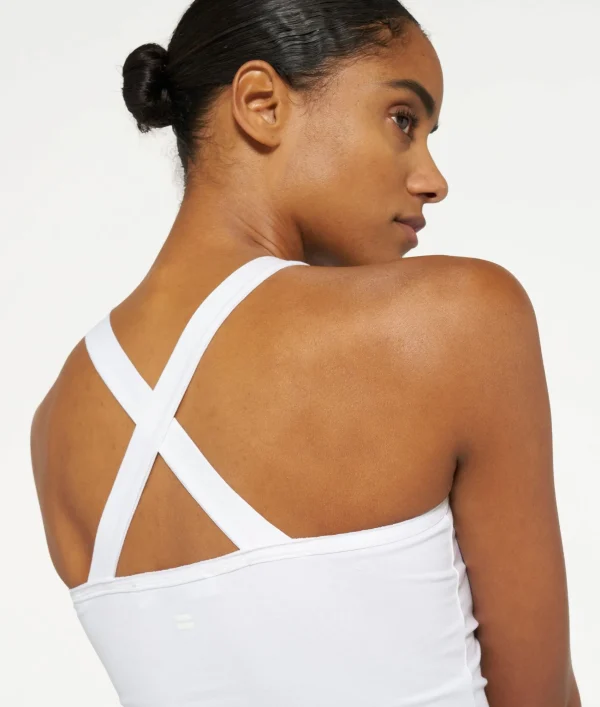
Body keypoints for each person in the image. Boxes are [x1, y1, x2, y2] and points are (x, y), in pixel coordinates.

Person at [29, 1, 581, 705]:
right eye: (403, 121)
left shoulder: (58, 422)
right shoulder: (458, 319)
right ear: (261, 104)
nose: (433, 179)